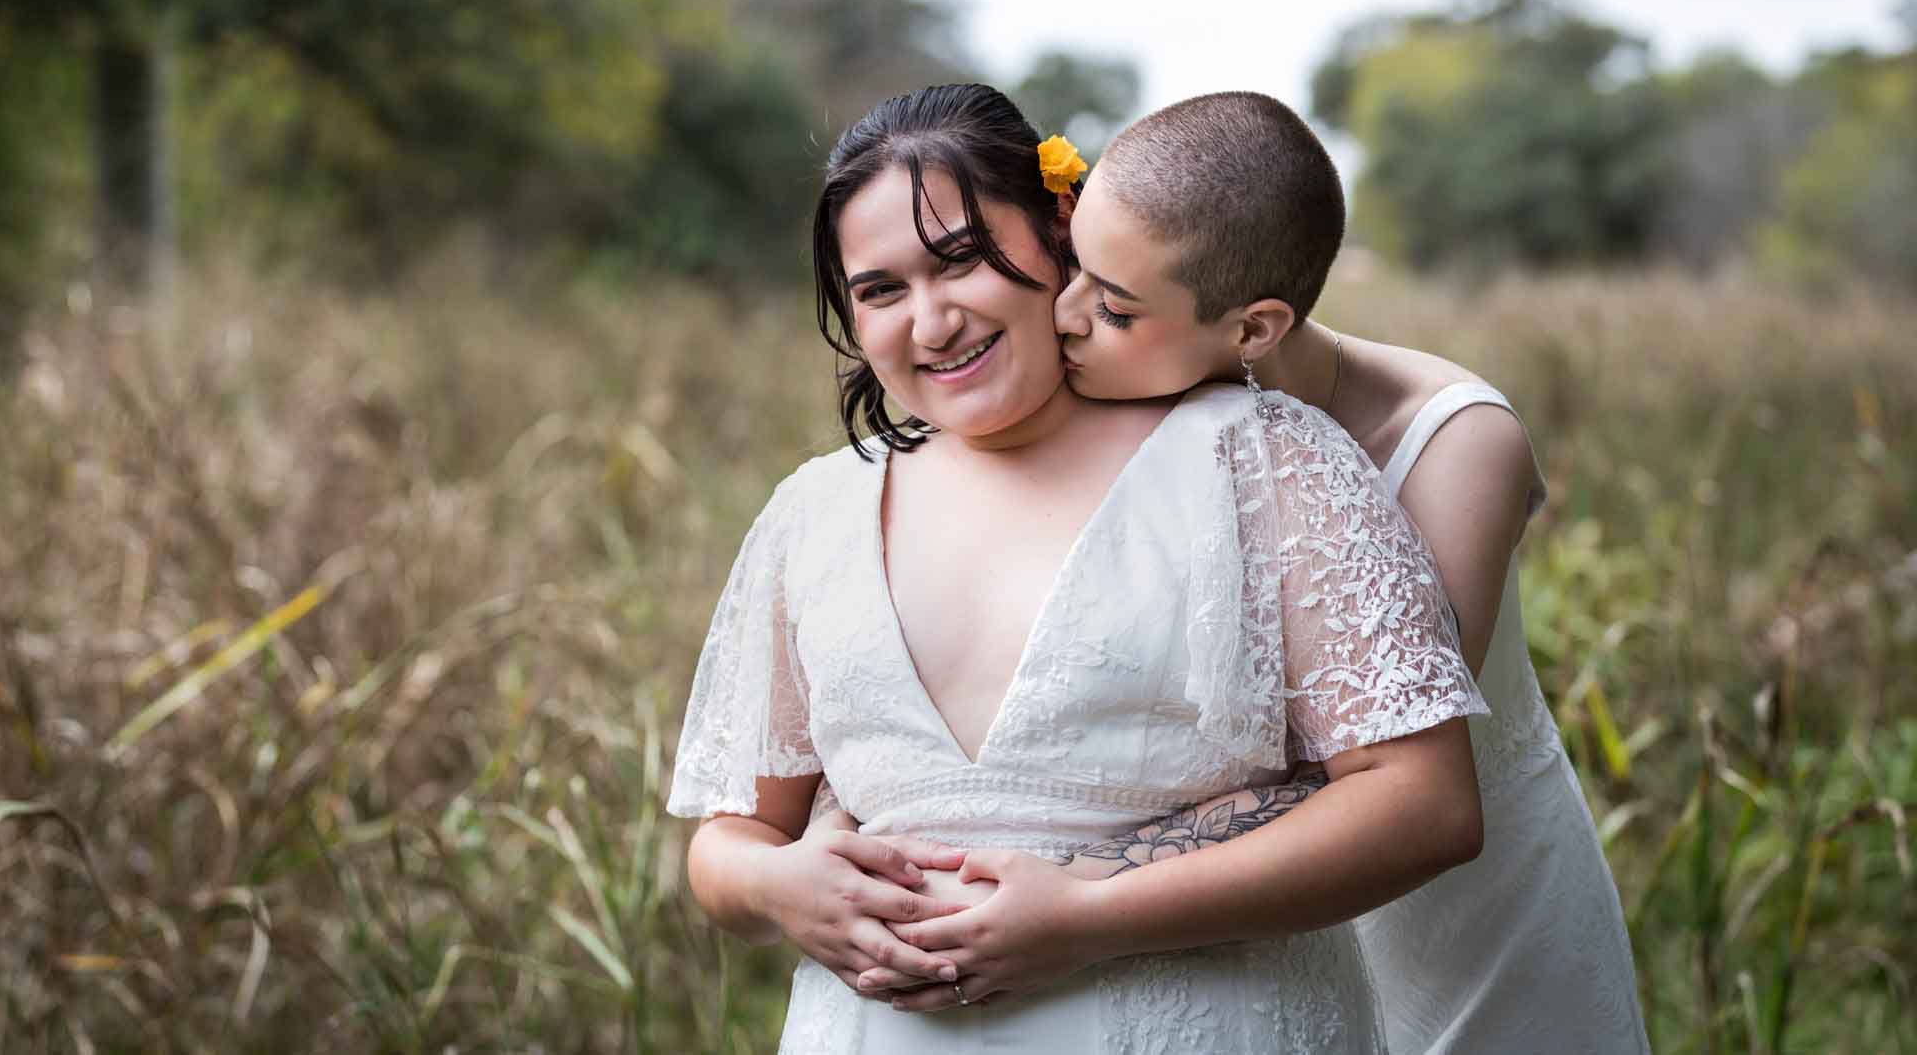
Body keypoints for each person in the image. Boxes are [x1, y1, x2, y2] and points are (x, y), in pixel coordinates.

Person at [667, 83, 1487, 1052]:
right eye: (879, 289)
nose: (929, 323)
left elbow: (1423, 802)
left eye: (959, 260)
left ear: (1061, 228)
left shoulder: (1259, 456)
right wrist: (776, 886)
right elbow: (730, 838)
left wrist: (1088, 919)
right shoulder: (811, 511)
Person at [1030, 91, 1649, 1052]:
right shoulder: (1142, 400)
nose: (1066, 317)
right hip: (1236, 939)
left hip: (1461, 923)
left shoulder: (1453, 442)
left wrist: (1064, 878)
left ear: (1253, 328)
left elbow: (1354, 770)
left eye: (1112, 306)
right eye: (1077, 270)